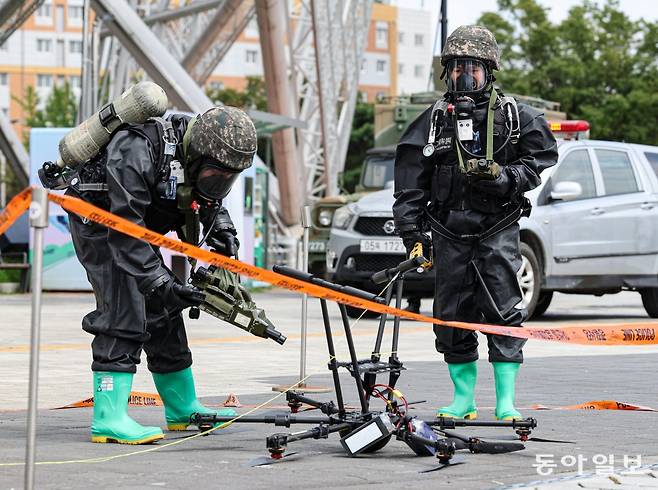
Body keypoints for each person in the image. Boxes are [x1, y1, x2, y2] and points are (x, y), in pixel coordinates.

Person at [393, 25, 558, 420]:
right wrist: (413, 234)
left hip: (497, 228)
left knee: (503, 309)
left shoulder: (517, 116)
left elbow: (541, 162)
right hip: (448, 232)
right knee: (450, 315)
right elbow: (409, 185)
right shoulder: (432, 120)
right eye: (456, 68)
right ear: (445, 72)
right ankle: (463, 399)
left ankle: (505, 403)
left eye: (473, 68)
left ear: (490, 70)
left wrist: (506, 178)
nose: (463, 77)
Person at [66, 105, 257, 444]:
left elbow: (205, 199)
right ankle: (108, 418)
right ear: (197, 157)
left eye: (228, 178)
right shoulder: (134, 149)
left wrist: (222, 229)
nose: (220, 183)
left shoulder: (195, 157)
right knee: (124, 305)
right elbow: (125, 232)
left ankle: (183, 408)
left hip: (136, 227)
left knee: (164, 308)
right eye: (217, 176)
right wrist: (160, 282)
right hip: (100, 221)